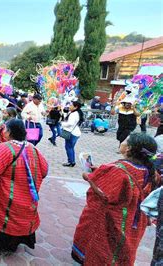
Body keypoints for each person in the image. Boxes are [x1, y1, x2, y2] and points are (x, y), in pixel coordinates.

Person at [72, 133, 159, 265]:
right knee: (124, 249)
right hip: (134, 221)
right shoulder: (151, 172)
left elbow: (104, 193)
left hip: (112, 220)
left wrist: (88, 177)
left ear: (129, 148)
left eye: (124, 140)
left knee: (103, 250)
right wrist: (100, 171)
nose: (121, 142)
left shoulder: (118, 170)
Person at [0, 119, 48, 255]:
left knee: (0, 217)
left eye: (5, 129)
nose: (3, 131)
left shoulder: (4, 148)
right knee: (19, 218)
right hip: (26, 196)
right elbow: (44, 170)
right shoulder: (34, 149)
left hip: (5, 197)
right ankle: (13, 245)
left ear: (9, 132)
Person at [61, 101, 84, 167]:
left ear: (75, 107)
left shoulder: (74, 114)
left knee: (68, 147)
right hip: (75, 133)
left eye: (71, 105)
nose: (69, 106)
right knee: (71, 147)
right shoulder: (76, 113)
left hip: (72, 133)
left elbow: (70, 123)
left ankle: (70, 162)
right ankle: (72, 161)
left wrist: (62, 124)